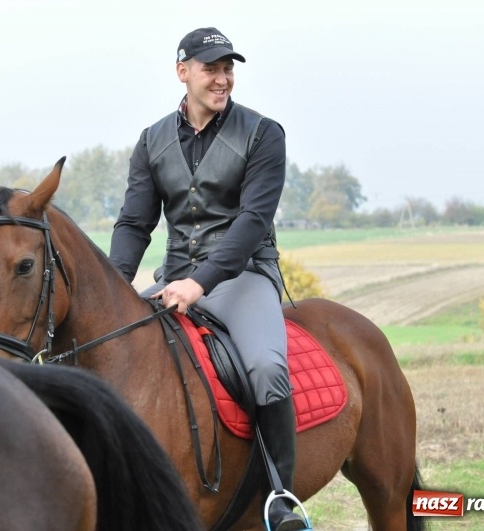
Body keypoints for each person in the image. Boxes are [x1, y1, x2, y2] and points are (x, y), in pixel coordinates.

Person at [109, 27, 306, 531]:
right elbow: (135, 224)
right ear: (183, 72)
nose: (223, 80)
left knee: (265, 366)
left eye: (228, 69)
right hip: (173, 277)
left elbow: (253, 223)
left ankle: (279, 496)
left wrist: (200, 283)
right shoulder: (151, 141)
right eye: (211, 69)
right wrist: (114, 288)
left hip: (242, 276)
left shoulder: (263, 134)